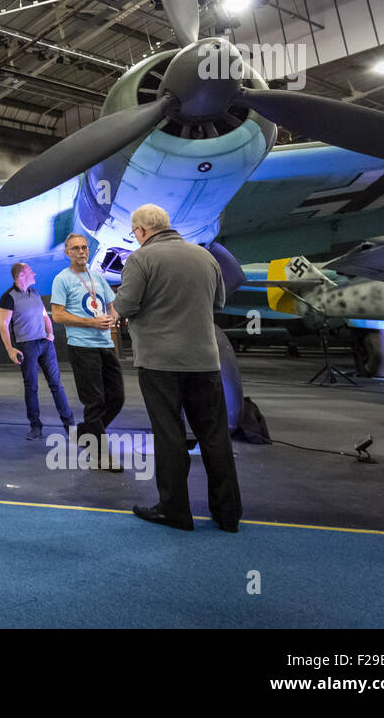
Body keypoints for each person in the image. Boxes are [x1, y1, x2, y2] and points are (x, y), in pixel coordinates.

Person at [111, 204, 241, 533]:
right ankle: (228, 514)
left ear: (140, 231)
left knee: (170, 436)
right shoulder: (205, 257)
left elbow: (124, 307)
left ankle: (175, 511)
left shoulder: (140, 259)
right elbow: (219, 304)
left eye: (134, 233)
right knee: (215, 437)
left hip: (160, 363)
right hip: (204, 362)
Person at [51, 233, 125, 469]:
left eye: (84, 247)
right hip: (82, 347)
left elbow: (113, 307)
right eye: (76, 248)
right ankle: (102, 456)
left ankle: (85, 433)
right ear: (67, 253)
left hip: (105, 345)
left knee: (116, 397)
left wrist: (112, 318)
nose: (81, 251)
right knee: (95, 401)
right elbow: (58, 315)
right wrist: (91, 323)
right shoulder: (62, 280)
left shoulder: (98, 278)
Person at [0, 262, 75, 440]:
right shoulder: (8, 297)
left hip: (45, 344)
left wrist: (50, 334)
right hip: (27, 346)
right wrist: (10, 349)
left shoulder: (35, 293)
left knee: (56, 385)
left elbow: (43, 315)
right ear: (21, 276)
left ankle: (70, 426)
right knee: (31, 387)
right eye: (30, 271)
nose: (34, 273)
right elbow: (3, 324)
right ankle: (35, 427)